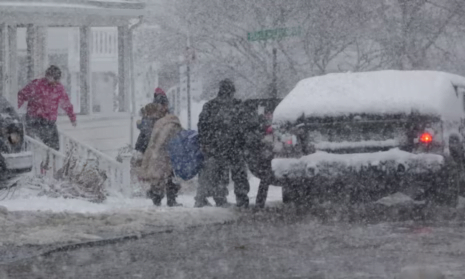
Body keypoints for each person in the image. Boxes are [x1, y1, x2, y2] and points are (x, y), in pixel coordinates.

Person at [196, 79, 250, 208]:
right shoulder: (238, 105)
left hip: (217, 146)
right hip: (235, 145)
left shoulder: (210, 106)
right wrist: (244, 144)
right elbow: (245, 126)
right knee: (239, 173)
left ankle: (220, 198)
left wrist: (206, 143)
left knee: (220, 174)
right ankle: (241, 198)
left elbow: (202, 126)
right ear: (232, 91)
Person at [18, 65, 76, 150]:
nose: (56, 82)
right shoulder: (36, 85)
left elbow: (66, 104)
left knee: (55, 147)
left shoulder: (59, 88)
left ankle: (52, 161)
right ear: (48, 76)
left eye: (57, 80)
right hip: (34, 120)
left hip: (49, 121)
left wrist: (72, 117)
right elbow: (21, 96)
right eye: (54, 79)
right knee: (35, 144)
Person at [138, 103, 183, 207]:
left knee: (159, 177)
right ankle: (167, 199)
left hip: (158, 153)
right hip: (164, 154)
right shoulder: (165, 123)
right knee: (167, 177)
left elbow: (148, 139)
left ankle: (157, 197)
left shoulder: (157, 123)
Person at [135, 87, 169, 154]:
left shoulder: (154, 117)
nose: (165, 108)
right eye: (164, 106)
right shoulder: (153, 119)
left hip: (145, 151)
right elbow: (149, 136)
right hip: (147, 152)